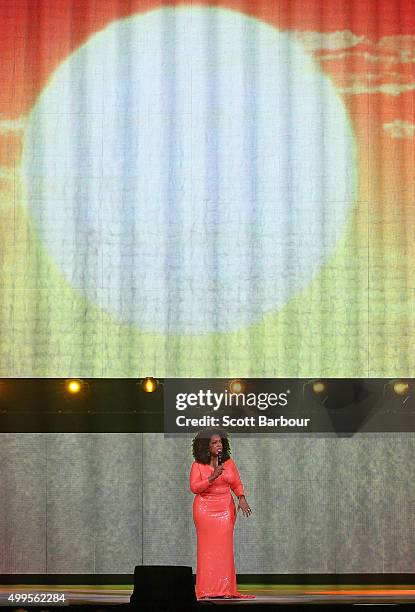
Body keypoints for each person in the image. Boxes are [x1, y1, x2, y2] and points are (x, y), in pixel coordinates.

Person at [189, 428, 254, 599]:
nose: (219, 445)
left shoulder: (229, 463)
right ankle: (206, 589)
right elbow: (194, 487)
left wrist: (241, 498)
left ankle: (226, 589)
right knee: (206, 550)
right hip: (204, 509)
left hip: (225, 509)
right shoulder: (197, 465)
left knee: (224, 549)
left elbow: (236, 483)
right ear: (205, 446)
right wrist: (212, 477)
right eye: (214, 443)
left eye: (220, 442)